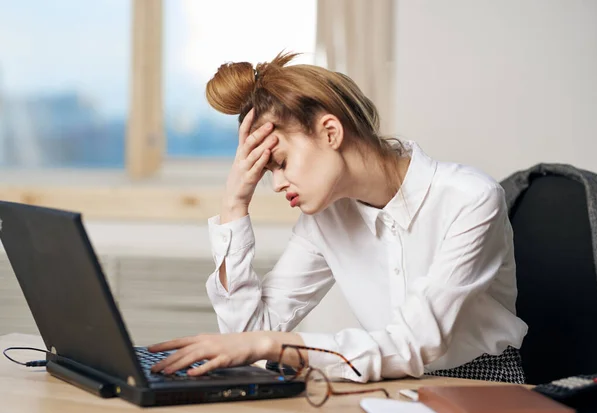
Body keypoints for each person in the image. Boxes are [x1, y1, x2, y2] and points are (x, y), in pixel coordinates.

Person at [149, 52, 528, 384]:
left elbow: (416, 342)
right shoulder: (326, 218)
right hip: (383, 382)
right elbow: (249, 337)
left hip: (485, 385)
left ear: (330, 131)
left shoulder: (470, 199)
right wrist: (234, 206)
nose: (278, 184)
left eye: (280, 163)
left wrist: (271, 345)